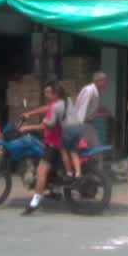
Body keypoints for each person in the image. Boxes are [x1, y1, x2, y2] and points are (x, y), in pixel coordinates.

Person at [20, 82, 68, 215]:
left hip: (54, 143)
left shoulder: (56, 107)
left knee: (41, 172)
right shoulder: (58, 103)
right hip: (54, 141)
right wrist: (29, 114)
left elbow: (46, 126)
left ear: (55, 94)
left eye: (48, 92)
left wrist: (27, 128)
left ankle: (34, 203)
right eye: (45, 91)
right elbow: (45, 108)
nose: (45, 94)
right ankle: (53, 189)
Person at [63, 72, 102, 178]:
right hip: (82, 124)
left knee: (86, 148)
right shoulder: (89, 91)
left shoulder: (92, 91)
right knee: (88, 148)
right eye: (104, 81)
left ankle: (87, 172)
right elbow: (82, 109)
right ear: (98, 81)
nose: (105, 84)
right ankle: (85, 172)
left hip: (82, 124)